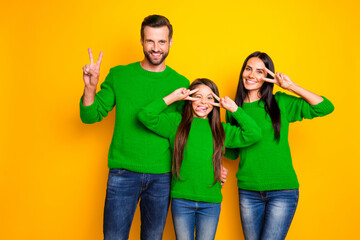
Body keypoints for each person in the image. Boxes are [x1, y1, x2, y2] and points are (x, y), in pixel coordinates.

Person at [80, 15, 190, 240]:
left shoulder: (180, 84)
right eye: (150, 41)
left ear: (170, 43)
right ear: (141, 41)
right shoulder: (120, 75)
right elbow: (91, 116)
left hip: (162, 176)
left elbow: (183, 135)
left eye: (161, 42)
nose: (156, 48)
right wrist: (90, 88)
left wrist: (213, 165)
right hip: (123, 173)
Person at [225, 51, 334, 240]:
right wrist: (208, 132)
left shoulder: (280, 102)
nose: (251, 75)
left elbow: (325, 107)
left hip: (282, 191)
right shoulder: (234, 108)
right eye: (248, 69)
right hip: (248, 190)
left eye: (260, 71)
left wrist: (291, 86)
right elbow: (234, 154)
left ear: (267, 77)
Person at [137, 78, 262, 240]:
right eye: (197, 96)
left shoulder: (221, 129)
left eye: (210, 97)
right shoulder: (176, 122)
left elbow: (254, 134)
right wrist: (173, 97)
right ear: (188, 99)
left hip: (210, 202)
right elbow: (145, 116)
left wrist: (234, 109)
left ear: (216, 102)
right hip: (182, 200)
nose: (203, 101)